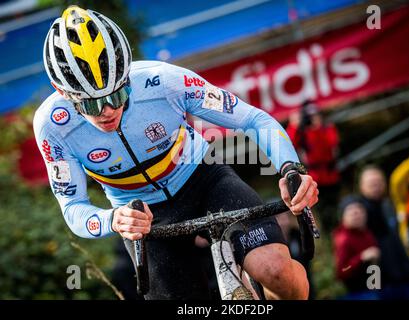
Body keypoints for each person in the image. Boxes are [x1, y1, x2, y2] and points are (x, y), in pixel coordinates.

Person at [33, 6, 318, 300]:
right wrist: (114, 219)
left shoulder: (163, 81)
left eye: (117, 94)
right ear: (62, 91)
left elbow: (254, 119)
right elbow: (72, 207)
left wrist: (290, 169)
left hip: (205, 181)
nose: (107, 111)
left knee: (275, 271)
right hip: (143, 215)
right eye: (91, 105)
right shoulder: (53, 127)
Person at [286, 101, 340, 232]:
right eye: (310, 116)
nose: (313, 118)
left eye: (316, 114)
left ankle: (335, 229)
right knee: (319, 208)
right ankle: (324, 233)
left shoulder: (327, 128)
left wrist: (318, 128)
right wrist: (294, 125)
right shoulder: (301, 132)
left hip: (330, 174)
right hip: (314, 176)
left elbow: (333, 144)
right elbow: (289, 144)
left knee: (334, 206)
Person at [357, 165, 409, 289]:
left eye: (379, 182)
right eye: (372, 183)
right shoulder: (359, 212)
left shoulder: (388, 204)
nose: (376, 187)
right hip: (378, 275)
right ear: (362, 187)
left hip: (401, 270)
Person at [332, 195, 380, 294]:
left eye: (359, 211)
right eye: (351, 212)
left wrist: (376, 286)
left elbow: (374, 265)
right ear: (343, 218)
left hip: (373, 288)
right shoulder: (343, 239)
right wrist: (361, 258)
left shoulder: (367, 233)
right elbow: (342, 271)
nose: (356, 215)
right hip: (356, 292)